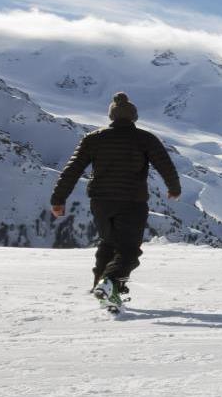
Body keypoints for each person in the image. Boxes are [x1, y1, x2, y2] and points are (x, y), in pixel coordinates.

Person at [50, 92, 181, 301]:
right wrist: (174, 188)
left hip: (101, 202)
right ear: (134, 117)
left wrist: (58, 199)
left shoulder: (93, 139)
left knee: (109, 242)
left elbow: (72, 169)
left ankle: (100, 287)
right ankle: (109, 282)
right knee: (128, 250)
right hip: (132, 201)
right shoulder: (145, 139)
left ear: (111, 116)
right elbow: (165, 165)